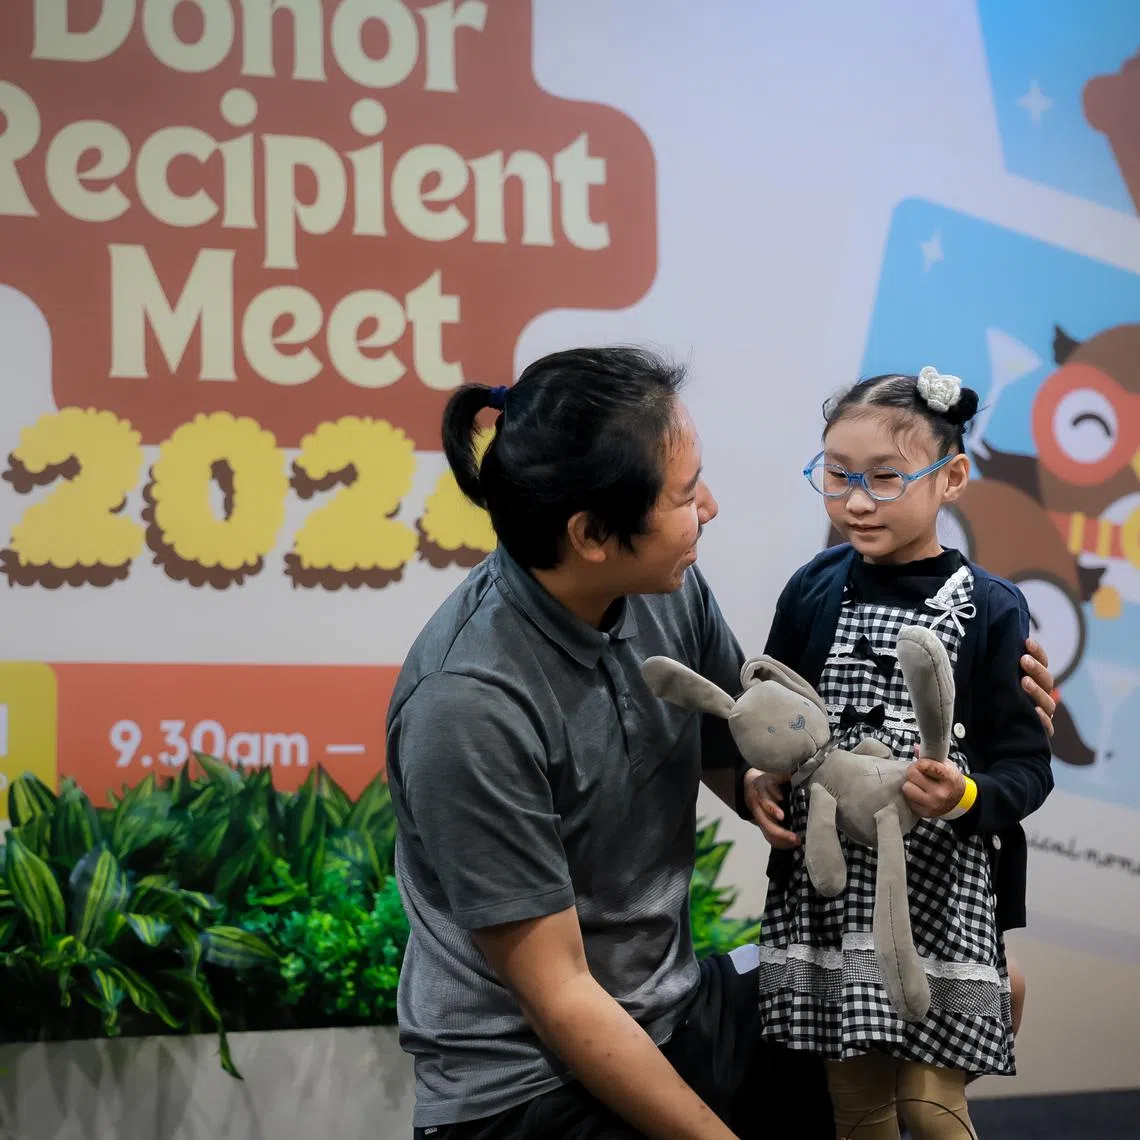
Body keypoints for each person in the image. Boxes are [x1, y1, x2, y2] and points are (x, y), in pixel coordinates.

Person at [385, 347, 1057, 1140]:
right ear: (592, 534)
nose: (709, 507)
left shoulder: (661, 584)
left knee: (979, 992)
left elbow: (746, 742)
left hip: (679, 1009)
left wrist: (766, 783)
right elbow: (560, 994)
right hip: (530, 1084)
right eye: (684, 494)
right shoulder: (468, 704)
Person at [746, 367, 1054, 1140]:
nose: (856, 501)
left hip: (943, 898)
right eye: (838, 475)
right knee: (858, 1106)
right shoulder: (812, 589)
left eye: (885, 478)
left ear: (951, 478)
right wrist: (761, 776)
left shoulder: (992, 607)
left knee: (929, 1105)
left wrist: (966, 795)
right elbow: (774, 717)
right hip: (829, 893)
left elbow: (1027, 767)